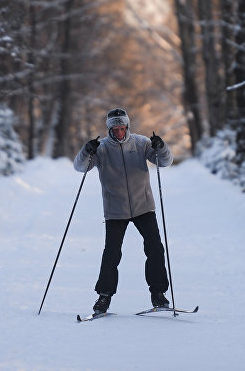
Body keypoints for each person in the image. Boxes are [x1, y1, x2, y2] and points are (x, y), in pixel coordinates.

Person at [73, 107, 173, 315]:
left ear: (128, 126)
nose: (119, 132)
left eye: (122, 127)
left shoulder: (142, 143)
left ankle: (158, 294)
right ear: (109, 129)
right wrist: (86, 150)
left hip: (143, 206)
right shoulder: (101, 148)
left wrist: (160, 147)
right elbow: (80, 167)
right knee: (111, 254)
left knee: (155, 248)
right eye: (115, 129)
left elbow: (164, 161)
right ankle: (104, 297)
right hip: (115, 209)